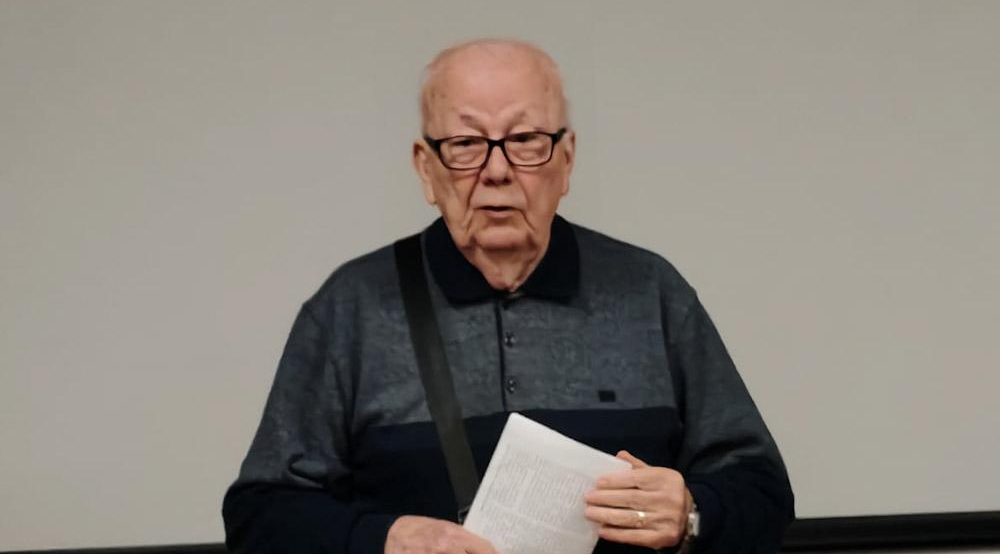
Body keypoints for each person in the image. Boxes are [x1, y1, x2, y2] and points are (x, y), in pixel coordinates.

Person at [222, 39, 794, 554]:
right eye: (466, 144)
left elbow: (762, 490)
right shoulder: (351, 308)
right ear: (426, 169)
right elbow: (259, 515)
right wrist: (384, 539)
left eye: (524, 140)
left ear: (566, 161)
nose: (497, 171)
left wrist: (692, 515)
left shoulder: (650, 291)